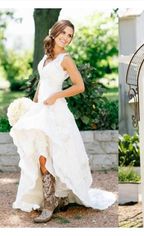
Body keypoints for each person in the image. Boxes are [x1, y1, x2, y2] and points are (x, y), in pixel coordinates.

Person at [9, 19, 116, 223]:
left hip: (56, 111)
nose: (66, 38)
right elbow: (42, 82)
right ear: (55, 32)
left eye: (70, 35)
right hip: (41, 109)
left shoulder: (66, 59)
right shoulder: (47, 56)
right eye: (64, 33)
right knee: (41, 154)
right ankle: (54, 199)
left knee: (54, 154)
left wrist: (56, 96)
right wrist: (34, 104)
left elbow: (79, 86)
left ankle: (52, 203)